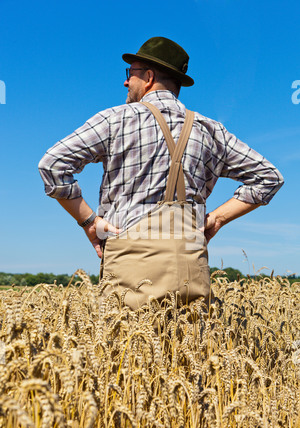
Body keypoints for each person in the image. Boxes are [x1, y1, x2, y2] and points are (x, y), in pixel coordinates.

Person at [38, 36, 284, 304]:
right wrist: (216, 219)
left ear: (149, 77)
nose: (125, 82)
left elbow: (52, 164)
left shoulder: (115, 119)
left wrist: (89, 221)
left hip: (128, 264)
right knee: (193, 344)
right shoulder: (212, 130)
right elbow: (269, 177)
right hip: (191, 264)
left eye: (130, 74)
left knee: (125, 344)